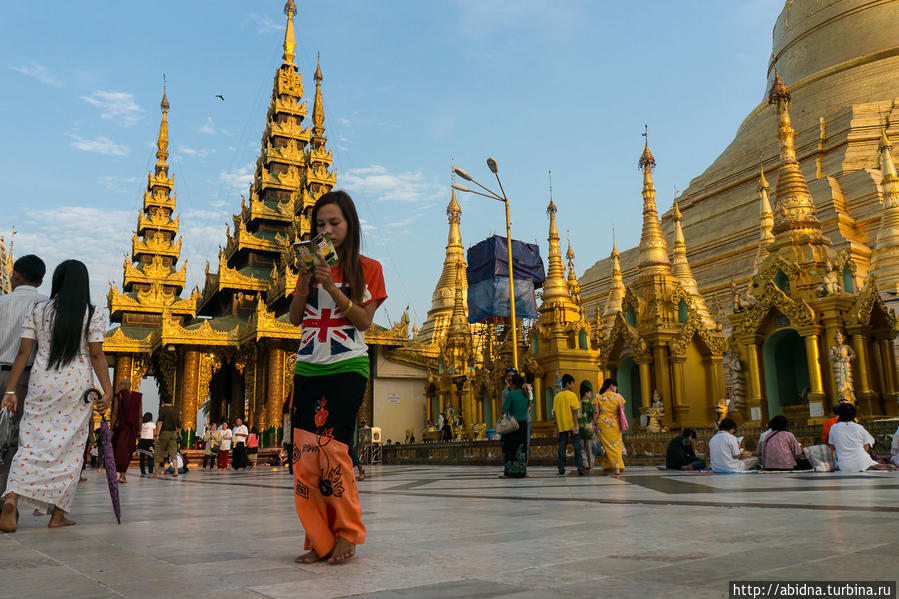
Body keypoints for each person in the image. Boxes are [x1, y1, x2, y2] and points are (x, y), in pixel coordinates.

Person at [287, 190, 387, 564]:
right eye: (320, 225)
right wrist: (304, 281)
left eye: (335, 223)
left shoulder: (369, 269)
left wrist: (332, 286)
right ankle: (319, 539)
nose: (327, 231)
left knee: (334, 452)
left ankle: (347, 532)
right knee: (304, 458)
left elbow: (363, 321)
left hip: (347, 367)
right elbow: (296, 319)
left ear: (350, 225)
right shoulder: (307, 272)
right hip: (309, 365)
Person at [0, 259, 112, 532]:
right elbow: (96, 354)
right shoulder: (92, 313)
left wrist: (11, 390)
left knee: (29, 444)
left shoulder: (39, 310)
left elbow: (24, 352)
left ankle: (12, 497)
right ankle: (57, 515)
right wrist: (108, 390)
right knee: (72, 449)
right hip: (75, 387)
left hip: (41, 384)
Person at [0, 255, 46, 498]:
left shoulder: (2, 302)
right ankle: (8, 500)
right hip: (28, 379)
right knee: (16, 440)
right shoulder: (46, 305)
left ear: (15, 275)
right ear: (40, 281)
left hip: (2, 372)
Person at [827, 402, 894, 471]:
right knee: (869, 460)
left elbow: (832, 446)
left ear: (839, 414)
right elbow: (867, 445)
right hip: (862, 461)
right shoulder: (858, 427)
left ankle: (870, 466)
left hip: (845, 466)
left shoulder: (834, 428)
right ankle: (871, 465)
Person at [553, 374, 586, 476]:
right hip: (572, 425)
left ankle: (561, 469)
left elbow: (555, 414)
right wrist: (576, 426)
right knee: (577, 447)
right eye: (572, 384)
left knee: (562, 447)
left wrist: (557, 428)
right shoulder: (572, 395)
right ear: (567, 384)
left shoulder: (557, 397)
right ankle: (580, 468)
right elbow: (575, 412)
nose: (573, 386)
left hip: (562, 426)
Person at [110, 379, 141, 484]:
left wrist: (111, 428)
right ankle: (123, 475)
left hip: (121, 429)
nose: (119, 387)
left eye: (120, 385)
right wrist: (139, 430)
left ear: (123, 385)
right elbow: (140, 415)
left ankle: (119, 474)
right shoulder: (136, 398)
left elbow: (114, 413)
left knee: (119, 452)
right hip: (131, 429)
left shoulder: (119, 396)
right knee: (128, 452)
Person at [499, 374, 529, 478]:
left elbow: (504, 409)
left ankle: (509, 472)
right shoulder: (526, 394)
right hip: (524, 424)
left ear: (513, 383)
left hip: (513, 425)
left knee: (510, 447)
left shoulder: (511, 394)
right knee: (522, 448)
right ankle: (522, 471)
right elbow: (530, 405)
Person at [594, 378, 626, 475]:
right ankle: (617, 468)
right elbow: (622, 411)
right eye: (615, 386)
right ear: (611, 386)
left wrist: (593, 423)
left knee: (605, 446)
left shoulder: (598, 397)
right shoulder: (619, 397)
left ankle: (607, 468)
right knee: (616, 445)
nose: (616, 388)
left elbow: (596, 412)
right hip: (615, 425)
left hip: (602, 424)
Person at [154, 394, 180, 478]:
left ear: (163, 401)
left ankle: (157, 473)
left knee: (159, 452)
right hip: (173, 433)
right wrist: (179, 434)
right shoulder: (176, 409)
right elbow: (179, 424)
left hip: (164, 433)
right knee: (173, 453)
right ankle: (176, 471)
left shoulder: (163, 409)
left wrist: (157, 434)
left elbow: (160, 422)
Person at [578, 381, 596, 472]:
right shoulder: (590, 404)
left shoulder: (577, 403)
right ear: (586, 393)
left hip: (580, 429)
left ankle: (585, 464)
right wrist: (594, 424)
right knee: (589, 449)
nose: (591, 395)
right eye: (590, 393)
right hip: (589, 429)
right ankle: (591, 467)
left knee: (581, 449)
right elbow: (593, 415)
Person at [282, 396, 294, 474]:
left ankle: (291, 469)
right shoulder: (287, 417)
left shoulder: (287, 416)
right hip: (291, 437)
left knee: (290, 453)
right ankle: (291, 469)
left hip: (291, 437)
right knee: (290, 453)